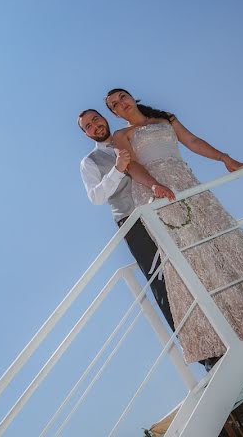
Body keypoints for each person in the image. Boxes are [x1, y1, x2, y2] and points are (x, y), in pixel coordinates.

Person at [105, 88, 243, 366]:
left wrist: (225, 158)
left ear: (132, 97)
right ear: (114, 113)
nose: (121, 104)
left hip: (186, 181)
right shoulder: (121, 136)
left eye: (122, 97)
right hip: (156, 191)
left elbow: (192, 141)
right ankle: (240, 324)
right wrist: (154, 184)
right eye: (114, 105)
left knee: (222, 239)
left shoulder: (165, 119)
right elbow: (132, 168)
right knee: (194, 254)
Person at [78, 108, 175, 330]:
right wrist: (117, 169)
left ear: (103, 117)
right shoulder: (89, 162)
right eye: (88, 127)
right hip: (132, 222)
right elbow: (96, 197)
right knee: (161, 281)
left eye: (96, 120)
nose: (95, 126)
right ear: (86, 134)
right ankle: (206, 356)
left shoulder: (130, 137)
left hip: (161, 209)